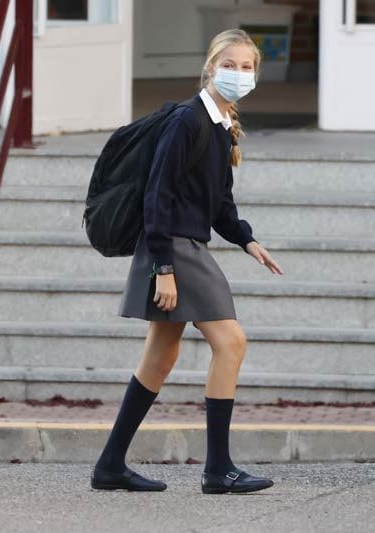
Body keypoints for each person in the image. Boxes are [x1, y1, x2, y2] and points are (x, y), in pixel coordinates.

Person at [91, 28, 283, 494]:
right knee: (231, 343)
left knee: (160, 356)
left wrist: (247, 240)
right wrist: (164, 267)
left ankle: (110, 466)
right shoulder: (188, 121)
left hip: (184, 243)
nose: (239, 74)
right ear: (211, 67)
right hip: (174, 246)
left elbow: (219, 202)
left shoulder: (218, 124)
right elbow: (158, 195)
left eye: (247, 67)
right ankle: (218, 470)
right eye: (231, 65)